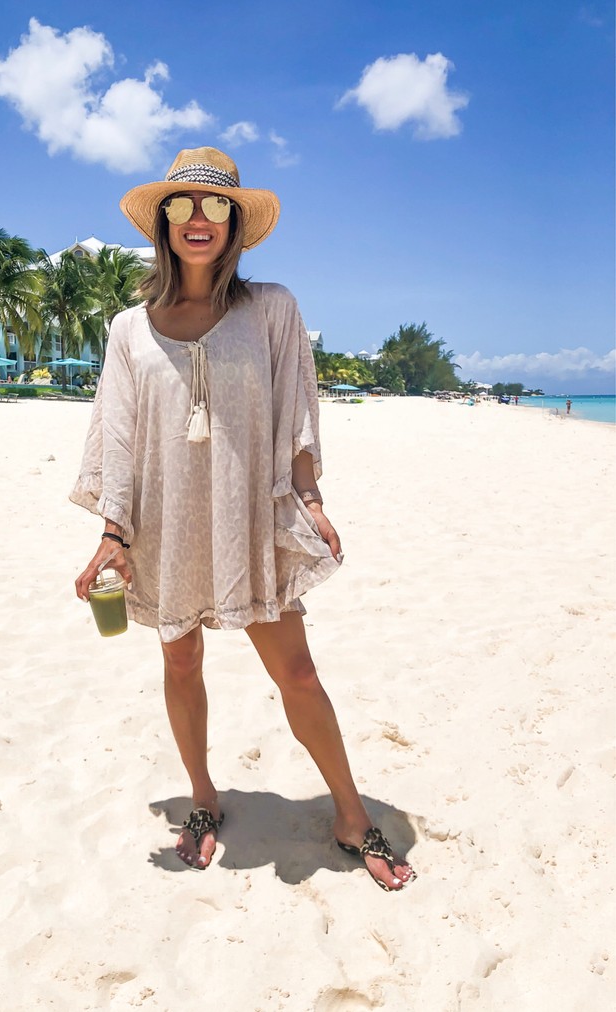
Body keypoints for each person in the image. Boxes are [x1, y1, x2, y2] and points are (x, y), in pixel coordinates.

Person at [72, 147, 415, 892]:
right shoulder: (129, 327)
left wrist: (313, 502)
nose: (200, 220)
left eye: (216, 207)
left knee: (296, 670)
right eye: (184, 207)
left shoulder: (273, 309)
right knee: (180, 660)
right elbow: (120, 436)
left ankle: (351, 814)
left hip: (250, 518)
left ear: (234, 223)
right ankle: (202, 798)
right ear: (164, 222)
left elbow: (297, 411)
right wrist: (112, 533)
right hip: (164, 522)